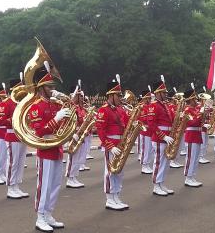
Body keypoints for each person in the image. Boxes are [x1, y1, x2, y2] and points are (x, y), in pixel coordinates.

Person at [27, 62, 72, 233]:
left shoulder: (55, 104)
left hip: (57, 147)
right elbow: (40, 131)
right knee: (44, 185)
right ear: (41, 87)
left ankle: (49, 213)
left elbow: (70, 114)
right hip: (45, 148)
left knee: (55, 184)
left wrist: (66, 107)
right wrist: (57, 118)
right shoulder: (36, 106)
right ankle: (40, 216)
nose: (52, 88)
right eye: (49, 86)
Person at [96, 76, 130, 210]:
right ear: (111, 95)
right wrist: (109, 146)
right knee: (110, 171)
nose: (120, 97)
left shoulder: (121, 109)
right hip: (111, 144)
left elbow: (128, 124)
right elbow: (100, 130)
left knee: (119, 172)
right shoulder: (103, 110)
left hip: (121, 144)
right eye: (118, 95)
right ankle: (109, 198)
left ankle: (116, 195)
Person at [146, 78, 175, 196]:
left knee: (165, 162)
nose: (165, 94)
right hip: (159, 138)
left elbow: (172, 119)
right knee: (158, 162)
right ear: (157, 93)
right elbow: (151, 124)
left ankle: (161, 183)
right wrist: (163, 136)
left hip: (168, 137)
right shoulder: (153, 106)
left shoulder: (165, 105)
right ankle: (156, 185)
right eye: (163, 92)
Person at [2, 77, 30, 199]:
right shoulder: (7, 102)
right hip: (12, 134)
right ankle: (10, 187)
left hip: (22, 135)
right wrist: (15, 120)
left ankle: (17, 185)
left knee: (20, 162)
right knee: (12, 163)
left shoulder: (23, 102)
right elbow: (2, 120)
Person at [66, 84, 88, 189]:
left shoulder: (81, 108)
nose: (81, 98)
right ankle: (70, 178)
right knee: (73, 157)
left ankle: (74, 177)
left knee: (78, 158)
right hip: (74, 134)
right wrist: (72, 134)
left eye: (81, 96)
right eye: (79, 96)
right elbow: (67, 123)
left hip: (80, 134)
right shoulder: (72, 108)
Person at [182, 89, 204, 187]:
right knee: (190, 158)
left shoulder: (195, 109)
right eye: (194, 99)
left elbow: (199, 122)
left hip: (197, 134)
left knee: (195, 158)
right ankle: (188, 177)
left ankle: (192, 176)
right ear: (190, 100)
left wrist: (204, 115)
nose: (196, 100)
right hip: (191, 135)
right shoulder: (187, 110)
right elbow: (193, 122)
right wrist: (201, 113)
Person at [138, 90, 155, 174]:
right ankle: (144, 165)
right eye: (148, 98)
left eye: (150, 98)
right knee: (145, 149)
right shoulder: (141, 107)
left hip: (151, 131)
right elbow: (139, 119)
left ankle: (147, 164)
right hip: (145, 131)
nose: (149, 99)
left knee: (150, 150)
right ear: (144, 98)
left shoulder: (151, 106)